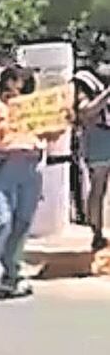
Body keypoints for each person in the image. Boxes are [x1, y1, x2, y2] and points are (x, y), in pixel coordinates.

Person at [0, 66, 67, 302]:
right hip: (2, 166)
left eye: (22, 80)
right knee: (0, 222)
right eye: (14, 79)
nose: (18, 85)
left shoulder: (33, 109)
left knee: (22, 223)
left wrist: (62, 118)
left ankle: (12, 272)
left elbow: (52, 133)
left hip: (31, 166)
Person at [72, 69, 110, 251]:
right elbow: (86, 111)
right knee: (98, 188)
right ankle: (97, 233)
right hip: (98, 140)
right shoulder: (84, 82)